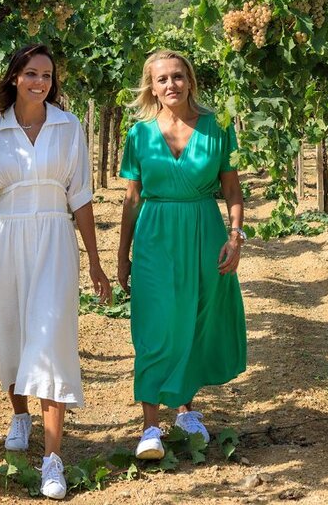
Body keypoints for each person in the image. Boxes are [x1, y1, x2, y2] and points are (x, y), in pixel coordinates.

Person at [0, 44, 111, 500]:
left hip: (54, 240)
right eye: (32, 73)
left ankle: (53, 460)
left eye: (48, 75)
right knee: (11, 333)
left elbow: (82, 197)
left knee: (51, 340)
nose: (41, 82)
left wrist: (94, 259)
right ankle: (20, 414)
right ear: (14, 77)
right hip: (5, 239)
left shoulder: (69, 127)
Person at [117, 49, 247, 460]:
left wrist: (236, 235)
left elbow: (231, 188)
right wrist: (122, 254)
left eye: (177, 76)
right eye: (161, 79)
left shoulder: (216, 127)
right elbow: (131, 199)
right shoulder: (138, 134)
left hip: (204, 232)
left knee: (194, 319)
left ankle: (187, 408)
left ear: (189, 80)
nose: (170, 85)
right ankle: (149, 427)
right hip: (155, 234)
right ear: (151, 87)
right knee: (154, 325)